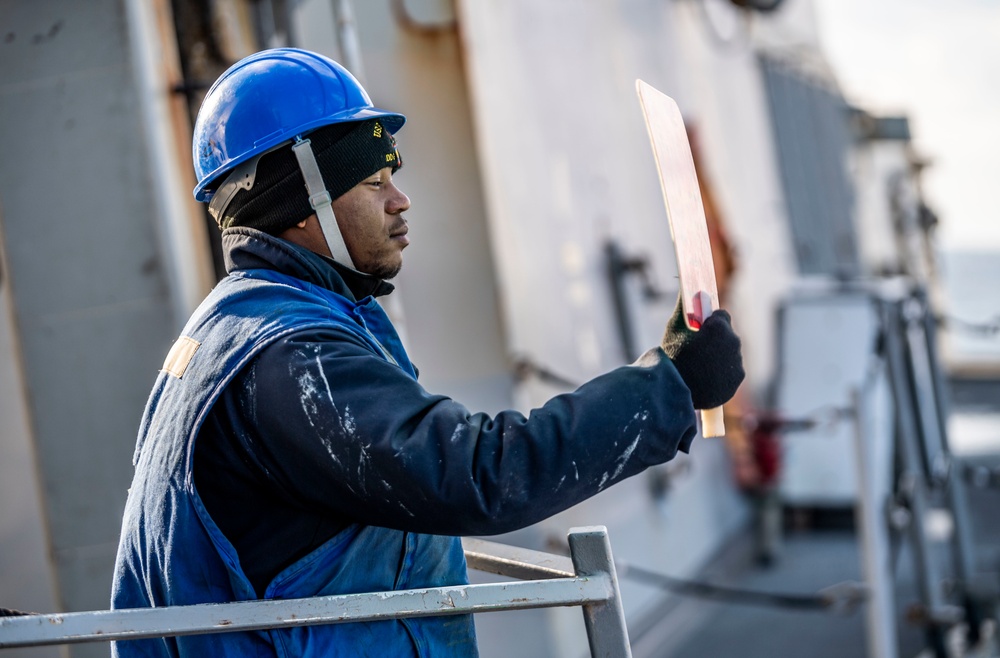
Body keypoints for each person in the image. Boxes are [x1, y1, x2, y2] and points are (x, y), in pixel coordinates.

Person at [111, 48, 745, 657]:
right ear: (297, 206)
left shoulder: (233, 326)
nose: (400, 199)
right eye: (371, 180)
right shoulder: (292, 354)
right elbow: (478, 475)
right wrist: (671, 385)